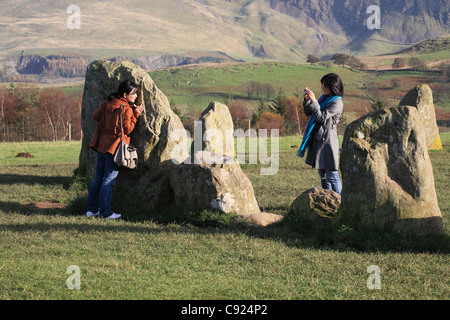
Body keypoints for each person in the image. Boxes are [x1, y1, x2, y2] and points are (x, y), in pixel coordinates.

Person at [86, 80, 144, 219]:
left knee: (98, 178)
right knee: (109, 180)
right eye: (133, 93)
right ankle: (106, 212)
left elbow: (95, 116)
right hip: (114, 147)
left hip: (101, 144)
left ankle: (91, 210)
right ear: (125, 94)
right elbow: (128, 129)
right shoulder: (126, 108)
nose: (136, 96)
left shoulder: (109, 102)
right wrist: (136, 114)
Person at [297, 73, 344, 195]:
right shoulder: (324, 99)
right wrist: (307, 100)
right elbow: (309, 112)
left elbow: (320, 117)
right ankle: (327, 199)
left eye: (325, 85)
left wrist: (314, 100)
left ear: (333, 86)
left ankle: (341, 201)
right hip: (318, 139)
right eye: (323, 85)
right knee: (322, 174)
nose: (323, 88)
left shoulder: (337, 103)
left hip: (328, 141)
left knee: (332, 174)